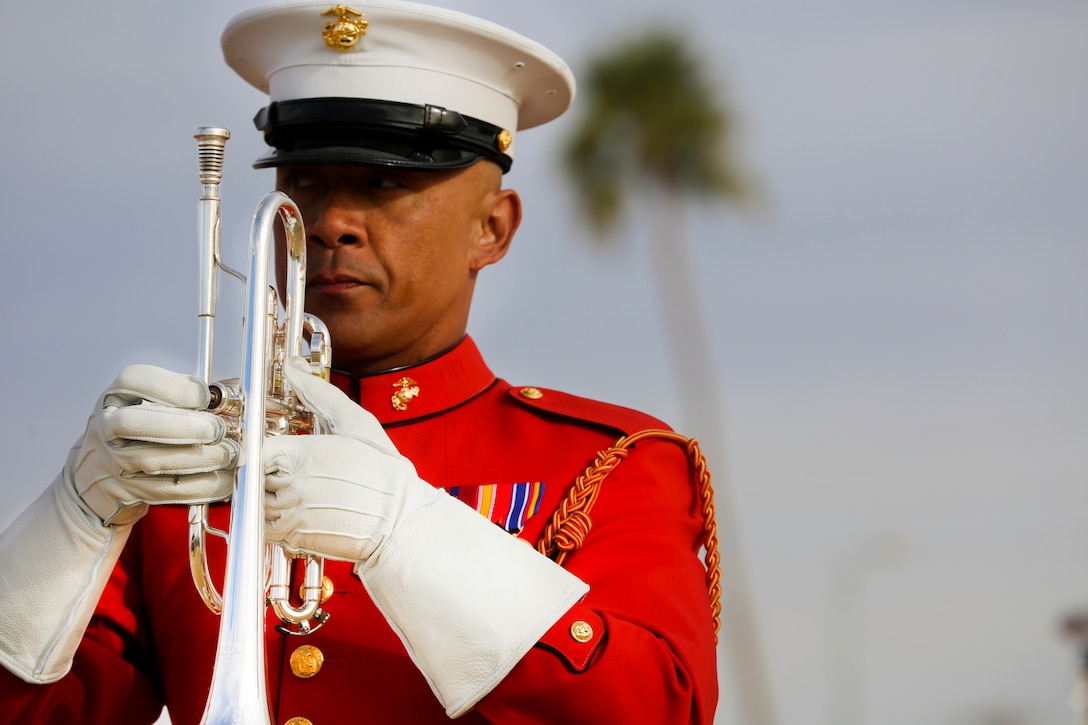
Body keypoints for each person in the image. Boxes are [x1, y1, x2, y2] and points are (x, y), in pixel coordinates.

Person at [0, 2, 720, 723]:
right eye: (305, 181)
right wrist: (72, 516)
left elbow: (656, 707)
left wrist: (406, 532)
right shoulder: (187, 470)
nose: (331, 222)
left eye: (386, 184)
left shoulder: (608, 464)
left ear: (492, 227)